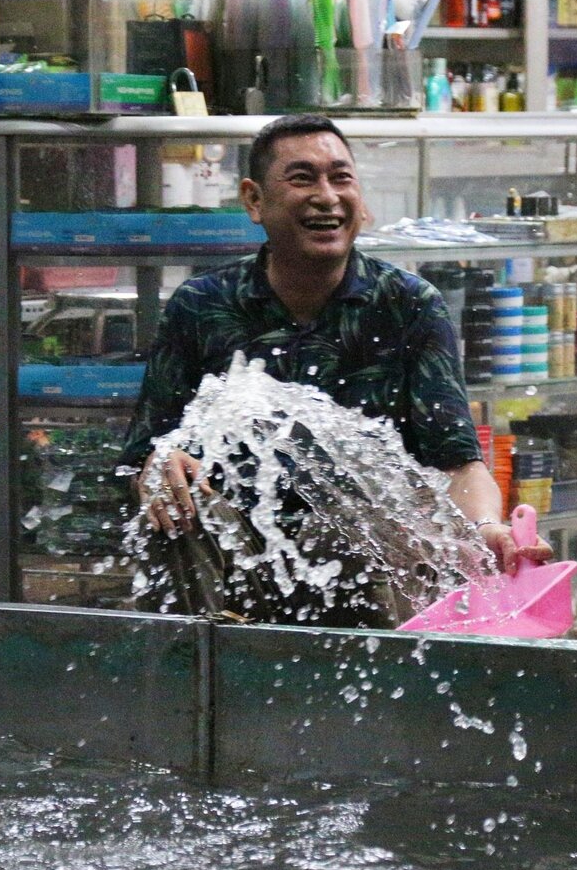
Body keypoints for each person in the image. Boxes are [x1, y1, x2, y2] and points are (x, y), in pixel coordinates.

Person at [119, 113, 550, 625]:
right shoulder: (201, 307)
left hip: (374, 561)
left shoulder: (408, 307)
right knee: (175, 518)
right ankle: (196, 676)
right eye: (302, 178)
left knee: (345, 522)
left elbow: (457, 462)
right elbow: (144, 456)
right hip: (236, 563)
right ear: (255, 200)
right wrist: (158, 470)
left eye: (340, 177)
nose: (327, 196)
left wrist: (484, 530)